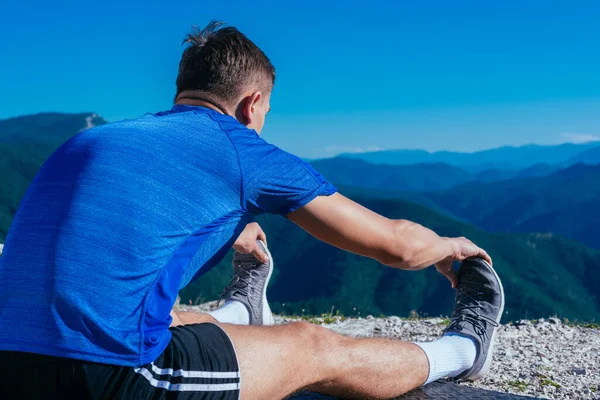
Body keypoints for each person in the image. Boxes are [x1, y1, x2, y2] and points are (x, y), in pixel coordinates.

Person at [0, 21, 504, 400]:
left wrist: (229, 227)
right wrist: (451, 248)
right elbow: (396, 245)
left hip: (8, 359)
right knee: (310, 346)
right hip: (107, 375)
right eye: (265, 113)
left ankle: (241, 311)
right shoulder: (241, 148)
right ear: (251, 102)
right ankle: (464, 351)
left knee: (166, 314)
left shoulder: (91, 140)